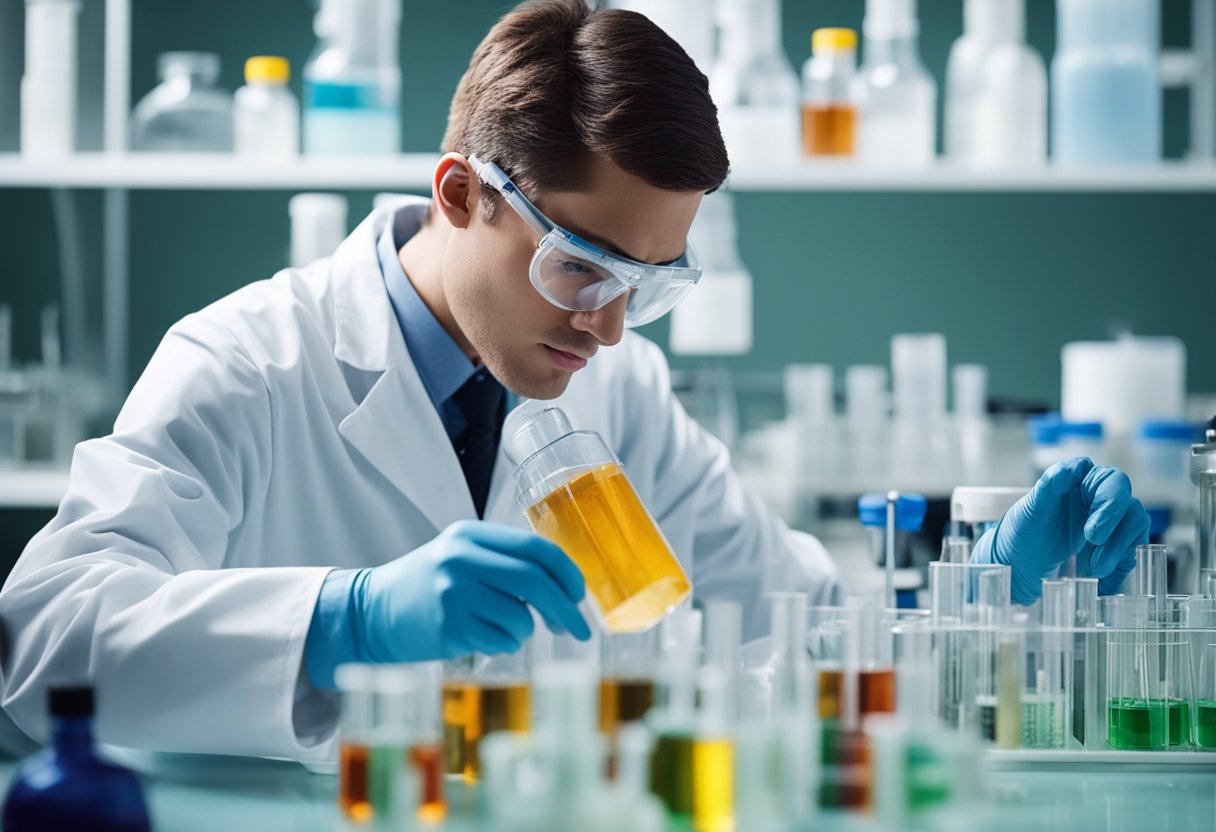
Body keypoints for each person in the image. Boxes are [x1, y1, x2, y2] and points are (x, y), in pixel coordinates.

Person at [0, 0, 1147, 760]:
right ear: (460, 194)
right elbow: (42, 640)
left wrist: (990, 583)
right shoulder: (245, 365)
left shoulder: (621, 392)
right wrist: (338, 620)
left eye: (647, 286)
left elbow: (793, 639)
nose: (604, 328)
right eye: (580, 267)